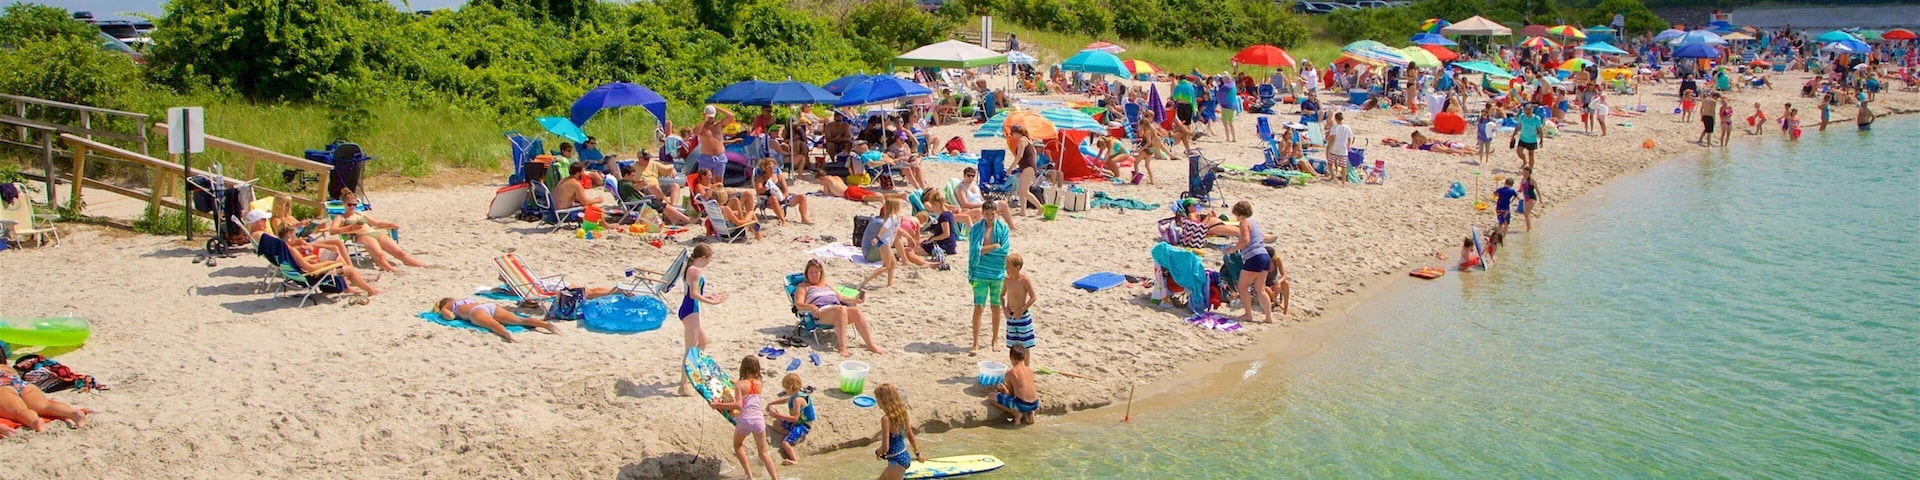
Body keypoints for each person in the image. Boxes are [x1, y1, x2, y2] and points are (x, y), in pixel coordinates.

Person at [793, 260, 886, 357]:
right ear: (806, 274)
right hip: (820, 312)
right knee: (841, 309)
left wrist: (855, 300)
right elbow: (798, 304)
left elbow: (840, 298)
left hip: (837, 309)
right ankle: (842, 347)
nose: (814, 275)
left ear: (821, 273)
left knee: (856, 311)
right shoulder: (803, 286)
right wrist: (811, 306)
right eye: (811, 272)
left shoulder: (827, 284)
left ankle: (870, 344)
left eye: (816, 272)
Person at [710, 356, 780, 480]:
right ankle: (775, 478)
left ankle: (749, 476)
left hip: (745, 420)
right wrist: (735, 384)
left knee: (738, 446)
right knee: (763, 453)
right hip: (759, 420)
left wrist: (717, 405)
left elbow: (738, 405)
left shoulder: (739, 385)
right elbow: (749, 388)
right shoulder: (760, 384)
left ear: (743, 367)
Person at [325, 191, 425, 272]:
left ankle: (420, 265)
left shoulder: (359, 213)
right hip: (362, 236)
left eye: (354, 204)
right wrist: (351, 227)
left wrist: (389, 224)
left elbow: (377, 223)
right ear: (344, 204)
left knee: (400, 252)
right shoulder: (340, 217)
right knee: (380, 255)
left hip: (373, 232)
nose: (352, 207)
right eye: (349, 204)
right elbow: (332, 231)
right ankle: (392, 270)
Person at [967, 201, 1011, 353]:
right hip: (979, 273)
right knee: (979, 307)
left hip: (997, 273)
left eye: (993, 214)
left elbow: (1004, 251)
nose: (991, 216)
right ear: (983, 213)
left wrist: (984, 250)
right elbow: (974, 251)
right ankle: (975, 342)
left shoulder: (1003, 228)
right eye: (987, 214)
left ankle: (995, 339)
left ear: (996, 213)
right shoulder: (975, 229)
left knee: (995, 307)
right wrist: (993, 246)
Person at [432, 296, 559, 343]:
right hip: (489, 306)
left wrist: (443, 311)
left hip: (475, 312)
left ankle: (506, 334)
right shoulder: (466, 299)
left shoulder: (447, 306)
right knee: (519, 320)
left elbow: (450, 318)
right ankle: (546, 325)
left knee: (492, 325)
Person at [0, 368, 86, 437]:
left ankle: (35, 422)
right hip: (22, 384)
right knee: (45, 405)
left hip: (3, 387)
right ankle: (73, 413)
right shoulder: (7, 367)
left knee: (18, 411)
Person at [1229, 201, 1273, 323]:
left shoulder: (1244, 223)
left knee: (1242, 287)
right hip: (1264, 256)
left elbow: (1245, 240)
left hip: (1254, 257)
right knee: (1261, 289)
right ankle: (1269, 317)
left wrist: (1232, 249)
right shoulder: (1254, 223)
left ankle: (1248, 314)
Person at [871, 384, 922, 480]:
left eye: (877, 399)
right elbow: (911, 436)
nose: (877, 402)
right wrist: (918, 454)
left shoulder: (886, 419)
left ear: (883, 400)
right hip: (904, 457)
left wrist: (878, 452)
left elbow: (885, 447)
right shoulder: (902, 414)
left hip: (896, 461)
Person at [766, 373, 815, 466]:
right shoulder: (795, 395)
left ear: (791, 387)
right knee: (776, 423)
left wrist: (778, 415)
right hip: (796, 423)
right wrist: (771, 403)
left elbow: (795, 418)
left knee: (785, 443)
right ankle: (794, 436)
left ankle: (794, 460)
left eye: (786, 388)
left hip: (803, 425)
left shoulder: (798, 400)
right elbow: (785, 400)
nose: (785, 391)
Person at [861, 199, 907, 289]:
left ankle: (890, 283)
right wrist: (877, 238)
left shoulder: (890, 217)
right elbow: (885, 228)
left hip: (886, 243)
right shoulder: (892, 217)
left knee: (893, 262)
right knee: (886, 266)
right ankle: (868, 278)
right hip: (884, 243)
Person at [988, 345, 1039, 425]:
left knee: (991, 396)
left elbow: (1011, 395)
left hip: (1021, 405)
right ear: (1025, 357)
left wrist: (1004, 390)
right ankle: (1031, 414)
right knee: (1027, 399)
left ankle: (1015, 413)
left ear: (1010, 358)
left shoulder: (1010, 373)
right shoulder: (1029, 370)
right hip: (1035, 404)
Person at [753, 159, 810, 225]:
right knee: (773, 198)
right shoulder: (761, 178)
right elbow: (758, 191)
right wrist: (766, 187)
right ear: (764, 168)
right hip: (768, 199)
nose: (772, 169)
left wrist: (783, 196)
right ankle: (783, 220)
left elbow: (786, 190)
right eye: (769, 167)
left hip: (781, 197)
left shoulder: (779, 176)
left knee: (802, 197)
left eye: (773, 167)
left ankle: (804, 218)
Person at [1001, 253, 1037, 350]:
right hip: (1010, 316)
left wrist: (1022, 310)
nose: (1006, 269)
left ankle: (1026, 365)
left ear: (1018, 267)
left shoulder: (1024, 280)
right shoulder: (1006, 280)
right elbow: (1002, 295)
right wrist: (1004, 308)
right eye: (1006, 267)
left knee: (1025, 346)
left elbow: (1033, 297)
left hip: (1022, 316)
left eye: (1009, 267)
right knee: (1012, 345)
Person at [920, 191, 958, 271]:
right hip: (948, 242)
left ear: (936, 204)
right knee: (920, 243)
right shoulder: (947, 213)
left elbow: (946, 234)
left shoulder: (944, 216)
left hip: (946, 244)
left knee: (918, 248)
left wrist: (933, 238)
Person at [695, 105, 735, 178]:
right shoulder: (702, 127)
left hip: (720, 157)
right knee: (703, 180)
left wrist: (717, 108)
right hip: (706, 157)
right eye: (709, 117)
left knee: (718, 181)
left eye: (712, 117)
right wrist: (704, 120)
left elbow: (731, 116)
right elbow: (695, 132)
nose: (710, 118)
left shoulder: (719, 125)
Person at [1510, 105, 1543, 171]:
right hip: (1523, 138)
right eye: (1525, 111)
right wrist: (1513, 135)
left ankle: (1530, 169)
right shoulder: (1522, 117)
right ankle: (1524, 161)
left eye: (1528, 111)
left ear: (1531, 110)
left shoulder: (1536, 119)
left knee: (1531, 155)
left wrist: (1541, 140)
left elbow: (1540, 130)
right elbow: (1518, 126)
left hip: (1532, 140)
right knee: (1519, 152)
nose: (1527, 113)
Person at [1326, 112, 1353, 181]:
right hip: (1343, 148)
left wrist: (1328, 146)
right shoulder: (1347, 128)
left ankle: (1332, 176)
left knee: (1330, 163)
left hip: (1335, 147)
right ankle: (1343, 182)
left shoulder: (1335, 127)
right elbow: (1349, 139)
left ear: (1336, 119)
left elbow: (1332, 138)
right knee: (1343, 166)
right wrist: (1348, 147)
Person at [1518, 167, 1541, 232]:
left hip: (1532, 198)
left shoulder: (1531, 180)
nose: (1525, 174)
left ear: (1529, 174)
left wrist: (1540, 199)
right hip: (1526, 198)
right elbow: (1521, 188)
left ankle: (1528, 229)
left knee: (1526, 214)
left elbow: (1537, 189)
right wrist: (1518, 191)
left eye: (1527, 173)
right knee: (1526, 214)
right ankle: (1529, 227)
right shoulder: (1522, 179)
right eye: (1524, 173)